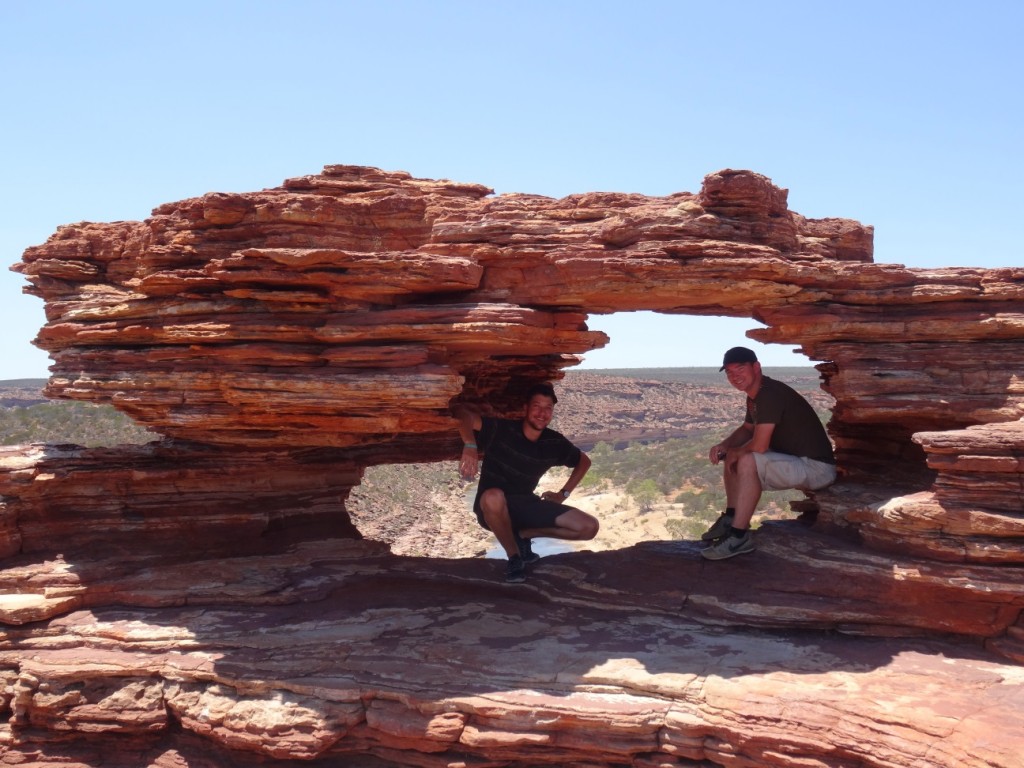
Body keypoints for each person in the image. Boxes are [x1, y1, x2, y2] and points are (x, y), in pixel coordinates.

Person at [452, 382, 599, 583]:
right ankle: (515, 557)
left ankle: (523, 534)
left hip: (526, 505)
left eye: (548, 408)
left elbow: (584, 461)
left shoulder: (553, 442)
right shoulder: (501, 430)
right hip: (492, 509)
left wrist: (563, 494)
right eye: (537, 406)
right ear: (525, 409)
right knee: (493, 496)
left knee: (588, 527)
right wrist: (470, 445)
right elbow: (462, 413)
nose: (542, 413)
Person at [701, 346, 837, 560]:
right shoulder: (755, 395)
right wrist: (725, 446)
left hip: (817, 468)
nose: (735, 376)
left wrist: (736, 452)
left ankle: (738, 537)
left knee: (746, 460)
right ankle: (730, 518)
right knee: (732, 455)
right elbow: (747, 429)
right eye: (729, 372)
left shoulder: (769, 394)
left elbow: (760, 446)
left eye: (740, 369)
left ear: (756, 367)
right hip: (799, 461)